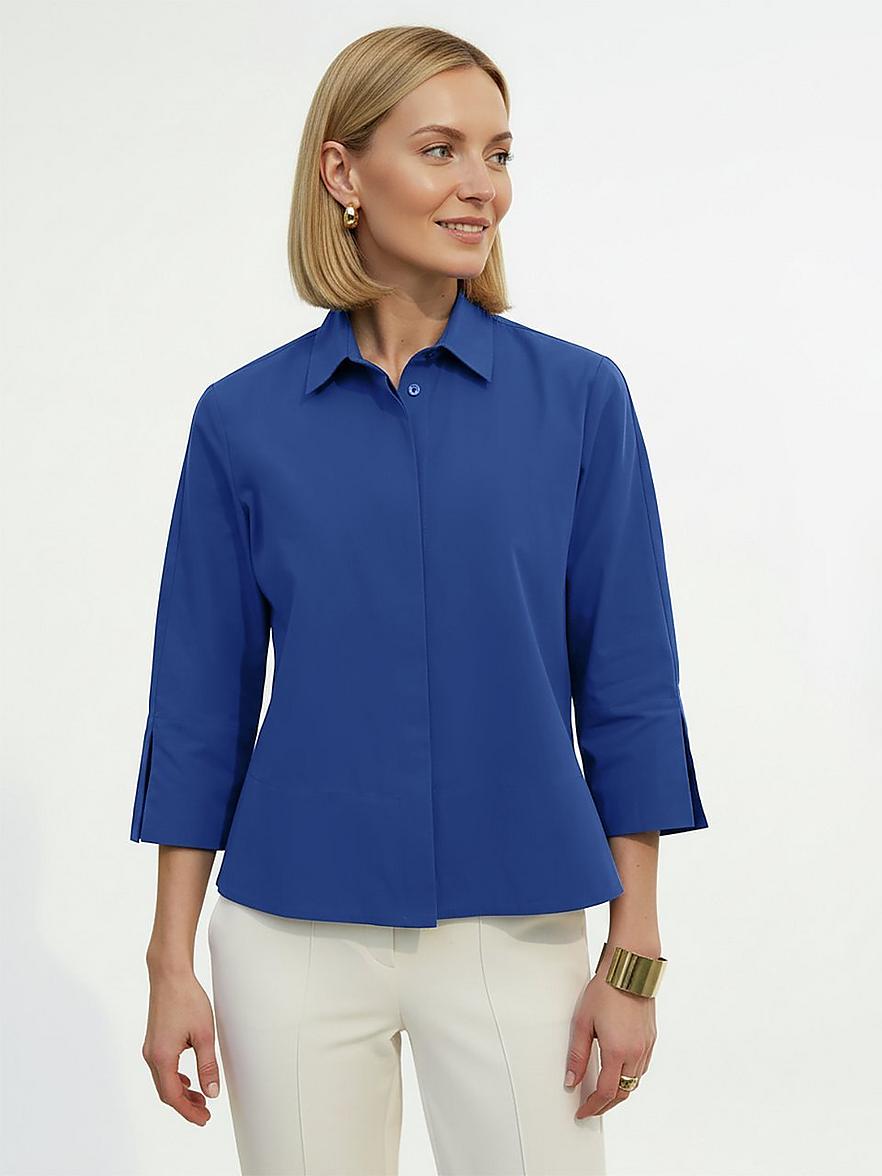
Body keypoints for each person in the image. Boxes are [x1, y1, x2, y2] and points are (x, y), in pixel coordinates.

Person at [131, 24, 708, 1176]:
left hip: (519, 929)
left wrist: (633, 957)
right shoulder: (241, 421)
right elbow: (196, 709)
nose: (480, 185)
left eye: (499, 153)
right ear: (343, 173)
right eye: (440, 150)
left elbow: (631, 687)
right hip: (291, 935)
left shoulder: (581, 400)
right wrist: (169, 963)